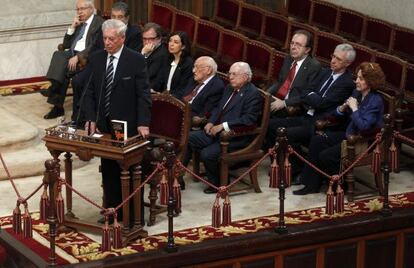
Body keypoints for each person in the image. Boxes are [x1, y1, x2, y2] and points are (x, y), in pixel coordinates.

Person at [83, 19, 151, 221]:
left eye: (111, 39)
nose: (107, 42)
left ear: (122, 38)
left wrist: (143, 122)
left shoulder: (135, 60)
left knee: (129, 171)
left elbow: (144, 94)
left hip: (128, 125)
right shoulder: (96, 59)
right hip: (104, 126)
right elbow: (88, 92)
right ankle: (112, 211)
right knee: (109, 171)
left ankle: (132, 215)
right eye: (105, 38)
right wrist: (90, 118)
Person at [267, 43, 356, 182]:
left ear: (348, 63)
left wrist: (313, 97)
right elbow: (305, 91)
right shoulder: (325, 72)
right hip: (305, 115)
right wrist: (314, 97)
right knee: (270, 125)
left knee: (286, 134)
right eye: (333, 56)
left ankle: (298, 169)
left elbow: (322, 104)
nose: (333, 61)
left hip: (320, 123)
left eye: (338, 59)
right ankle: (297, 165)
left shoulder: (347, 83)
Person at [293, 62, 385, 195]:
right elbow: (337, 115)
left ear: (370, 82)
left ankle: (341, 185)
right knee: (317, 140)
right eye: (357, 77)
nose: (356, 81)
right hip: (348, 134)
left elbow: (364, 126)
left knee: (326, 156)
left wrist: (354, 108)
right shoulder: (357, 93)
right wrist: (341, 109)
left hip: (361, 141)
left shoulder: (375, 100)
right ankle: (311, 185)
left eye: (360, 79)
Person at [188, 62, 263, 193]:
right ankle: (177, 175)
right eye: (230, 73)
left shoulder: (252, 94)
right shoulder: (229, 88)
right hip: (216, 132)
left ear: (245, 77)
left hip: (236, 137)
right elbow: (218, 108)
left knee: (207, 154)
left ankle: (218, 183)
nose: (230, 77)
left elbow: (248, 120)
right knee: (189, 138)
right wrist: (211, 122)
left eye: (234, 74)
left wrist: (223, 126)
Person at [71, 1, 142, 124]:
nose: (116, 20)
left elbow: (132, 56)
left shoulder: (134, 32)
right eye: (113, 16)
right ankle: (78, 117)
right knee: (78, 81)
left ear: (127, 18)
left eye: (120, 17)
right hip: (100, 63)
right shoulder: (105, 28)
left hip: (120, 67)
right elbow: (95, 49)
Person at [42, 0, 104, 119]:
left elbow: (95, 45)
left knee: (64, 73)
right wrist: (72, 27)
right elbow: (65, 44)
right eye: (77, 9)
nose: (80, 12)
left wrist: (78, 56)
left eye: (82, 9)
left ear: (91, 9)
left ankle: (56, 99)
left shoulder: (99, 23)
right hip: (71, 53)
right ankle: (55, 91)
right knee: (59, 54)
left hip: (86, 57)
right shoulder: (79, 23)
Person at [161, 31, 193, 99]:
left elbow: (183, 88)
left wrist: (169, 97)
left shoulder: (188, 63)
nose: (171, 44)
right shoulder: (167, 59)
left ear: (183, 46)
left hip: (176, 99)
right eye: (170, 41)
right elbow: (160, 80)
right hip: (164, 95)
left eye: (176, 42)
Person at [140, 22, 169, 92]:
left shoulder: (161, 54)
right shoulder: (143, 47)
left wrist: (142, 54)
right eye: (144, 39)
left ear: (159, 39)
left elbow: (147, 75)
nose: (147, 42)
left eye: (151, 39)